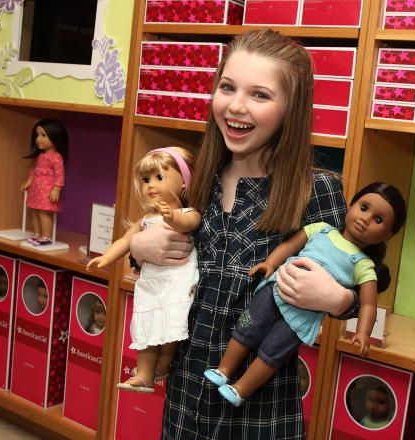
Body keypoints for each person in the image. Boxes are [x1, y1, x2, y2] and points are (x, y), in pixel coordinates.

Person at [130, 29, 359, 438]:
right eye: (228, 87)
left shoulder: (317, 191)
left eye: (260, 95)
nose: (236, 106)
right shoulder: (197, 179)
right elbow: (164, 256)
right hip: (184, 398)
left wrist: (339, 299)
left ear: (292, 108)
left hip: (261, 410)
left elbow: (360, 277)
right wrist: (138, 247)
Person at [204, 182, 407, 406]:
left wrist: (363, 333)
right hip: (278, 289)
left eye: (378, 220)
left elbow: (368, 304)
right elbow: (290, 245)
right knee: (247, 327)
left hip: (303, 317)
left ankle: (241, 389)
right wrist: (270, 263)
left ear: (388, 235)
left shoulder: (363, 265)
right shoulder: (320, 228)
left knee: (273, 353)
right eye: (364, 207)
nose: (365, 219)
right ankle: (224, 369)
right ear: (351, 205)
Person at [87, 147, 200, 393]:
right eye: (146, 179)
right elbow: (126, 240)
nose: (150, 185)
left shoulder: (185, 212)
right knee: (146, 323)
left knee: (171, 324)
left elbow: (188, 223)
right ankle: (145, 374)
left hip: (176, 281)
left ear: (184, 182)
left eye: (159, 177)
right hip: (150, 282)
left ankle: (164, 365)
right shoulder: (146, 217)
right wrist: (106, 258)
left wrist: (171, 217)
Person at [21, 119, 69, 246]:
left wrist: (57, 188)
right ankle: (37, 233)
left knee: (44, 212)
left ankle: (46, 236)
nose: (38, 139)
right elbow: (34, 170)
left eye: (43, 135)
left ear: (55, 137)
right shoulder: (40, 156)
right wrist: (29, 181)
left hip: (47, 190)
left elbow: (59, 174)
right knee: (34, 210)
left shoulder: (56, 157)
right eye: (37, 135)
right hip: (36, 188)